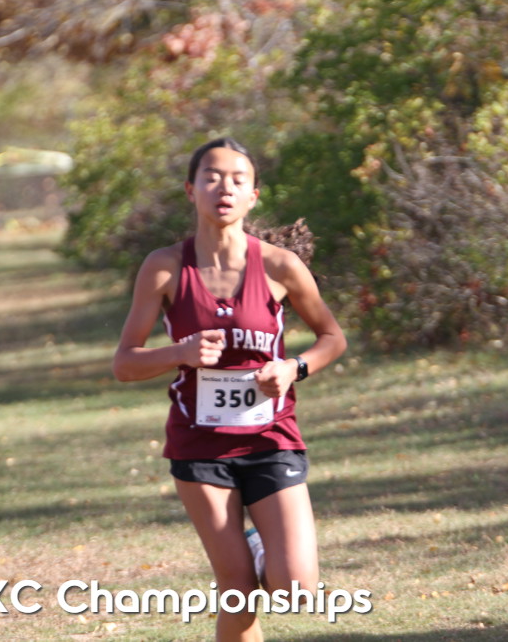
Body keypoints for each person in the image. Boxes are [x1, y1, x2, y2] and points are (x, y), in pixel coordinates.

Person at [113, 138, 347, 641]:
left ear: (253, 195)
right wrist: (179, 352)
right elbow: (125, 363)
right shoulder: (164, 266)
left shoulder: (280, 266)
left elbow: (332, 338)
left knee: (296, 590)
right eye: (212, 177)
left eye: (238, 180)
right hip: (200, 445)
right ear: (190, 189)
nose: (225, 188)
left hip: (271, 439)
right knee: (237, 592)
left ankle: (260, 546)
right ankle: (247, 562)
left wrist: (293, 369)